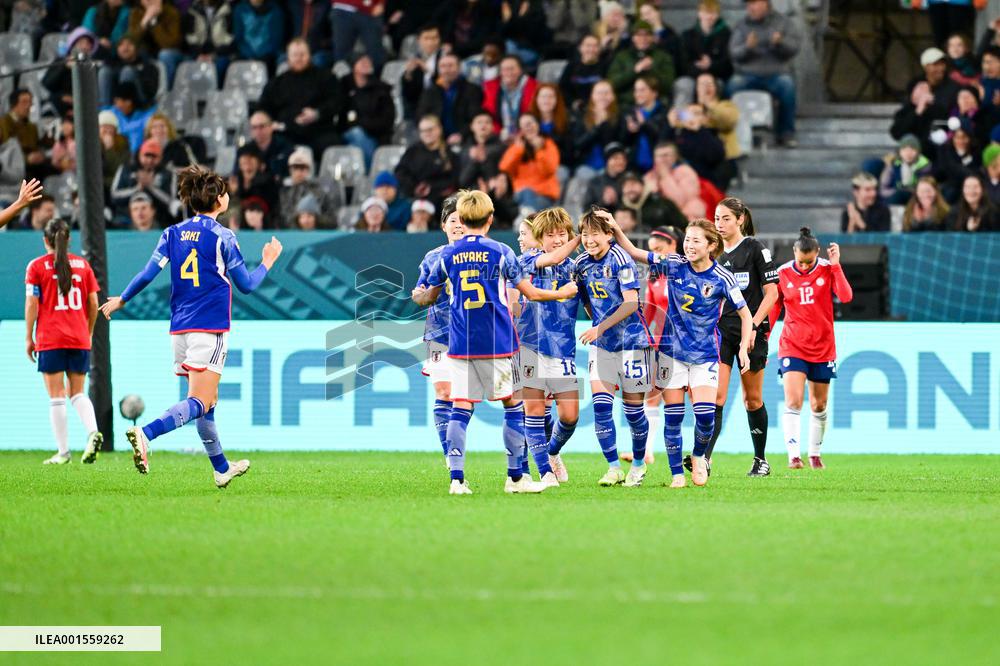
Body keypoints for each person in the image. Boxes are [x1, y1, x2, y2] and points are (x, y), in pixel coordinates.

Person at [99, 165, 283, 486]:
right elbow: (247, 285)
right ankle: (146, 433)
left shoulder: (172, 233)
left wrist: (122, 300)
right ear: (218, 200)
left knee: (206, 404)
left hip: (180, 328)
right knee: (200, 402)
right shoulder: (223, 237)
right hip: (209, 327)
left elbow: (147, 273)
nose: (227, 196)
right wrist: (268, 260)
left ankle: (222, 468)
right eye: (224, 192)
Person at [411, 190, 576, 495]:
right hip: (498, 342)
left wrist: (420, 295)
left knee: (460, 406)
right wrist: (562, 293)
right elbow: (531, 292)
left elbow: (427, 294)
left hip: (459, 343)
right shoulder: (501, 251)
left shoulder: (446, 255)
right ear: (489, 219)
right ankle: (516, 478)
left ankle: (457, 480)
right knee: (513, 405)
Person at [609, 215, 753, 488]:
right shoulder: (674, 266)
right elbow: (635, 252)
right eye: (687, 239)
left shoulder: (722, 277)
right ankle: (677, 475)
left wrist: (744, 348)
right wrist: (616, 228)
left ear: (711, 245)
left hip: (705, 356)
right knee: (672, 417)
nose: (689, 245)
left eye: (696, 240)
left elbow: (746, 315)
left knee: (705, 417)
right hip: (671, 354)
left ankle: (699, 456)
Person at [570, 208, 652, 487]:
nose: (589, 239)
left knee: (633, 412)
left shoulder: (621, 259)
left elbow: (631, 303)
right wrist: (598, 326)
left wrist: (599, 326)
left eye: (595, 233)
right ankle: (614, 467)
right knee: (601, 407)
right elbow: (585, 299)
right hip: (602, 346)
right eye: (584, 234)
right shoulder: (580, 263)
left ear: (608, 234)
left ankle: (638, 466)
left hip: (632, 343)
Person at [702, 197, 779, 477]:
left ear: (740, 220)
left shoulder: (755, 249)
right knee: (716, 396)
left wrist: (754, 326)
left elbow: (772, 293)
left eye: (725, 219)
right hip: (722, 331)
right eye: (716, 218)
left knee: (752, 399)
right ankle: (705, 459)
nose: (720, 224)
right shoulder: (715, 254)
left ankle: (761, 460)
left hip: (752, 331)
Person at [769, 228, 852, 470]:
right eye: (800, 261)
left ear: (817, 253)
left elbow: (846, 297)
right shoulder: (783, 273)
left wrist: (836, 266)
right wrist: (762, 335)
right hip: (792, 345)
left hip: (823, 347)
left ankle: (815, 454)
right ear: (794, 252)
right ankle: (794, 456)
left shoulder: (827, 268)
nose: (804, 267)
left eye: (809, 261)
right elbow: (775, 308)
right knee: (794, 401)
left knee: (819, 405)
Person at [513, 208, 583, 484]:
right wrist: (582, 236)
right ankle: (544, 471)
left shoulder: (577, 268)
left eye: (561, 234)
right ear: (539, 239)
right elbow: (554, 256)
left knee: (570, 416)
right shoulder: (528, 259)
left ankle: (552, 453)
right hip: (530, 344)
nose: (556, 239)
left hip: (563, 347)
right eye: (550, 235)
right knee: (534, 408)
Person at [25, 219, 103, 466]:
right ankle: (93, 432)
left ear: (45, 240)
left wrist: (29, 336)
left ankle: (63, 452)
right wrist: (88, 332)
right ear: (68, 240)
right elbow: (93, 303)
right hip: (79, 337)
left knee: (57, 395)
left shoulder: (36, 267)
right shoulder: (83, 265)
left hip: (51, 337)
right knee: (77, 392)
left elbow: (32, 304)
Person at [413, 196, 464, 461]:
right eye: (452, 220)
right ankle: (451, 459)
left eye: (463, 220)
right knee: (445, 392)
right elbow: (421, 293)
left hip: (475, 336)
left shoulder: (485, 254)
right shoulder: (433, 257)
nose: (458, 224)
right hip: (440, 333)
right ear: (444, 226)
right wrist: (418, 295)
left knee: (470, 399)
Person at [632, 226, 683, 464]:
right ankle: (646, 451)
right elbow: (651, 310)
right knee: (652, 394)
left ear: (673, 245)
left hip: (689, 343)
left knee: (695, 398)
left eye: (659, 250)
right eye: (652, 251)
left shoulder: (686, 269)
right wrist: (644, 336)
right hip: (663, 342)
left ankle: (702, 455)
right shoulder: (655, 275)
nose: (655, 256)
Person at [727, 0, 801, 147]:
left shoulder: (783, 23)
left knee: (787, 86)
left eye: (754, 4)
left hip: (776, 74)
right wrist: (747, 48)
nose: (750, 8)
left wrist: (780, 43)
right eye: (748, 5)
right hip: (748, 74)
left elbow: (794, 48)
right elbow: (734, 53)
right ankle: (729, 133)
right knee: (732, 87)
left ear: (765, 4)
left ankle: (786, 134)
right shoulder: (742, 26)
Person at [258, 38, 341, 155]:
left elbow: (337, 101)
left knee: (333, 146)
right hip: (286, 132)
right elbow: (263, 107)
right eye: (295, 55)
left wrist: (317, 113)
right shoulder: (276, 82)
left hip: (319, 130)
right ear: (288, 57)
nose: (299, 58)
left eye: (302, 54)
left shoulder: (326, 77)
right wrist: (271, 123)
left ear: (309, 55)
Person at [889, 47, 960, 157]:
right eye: (935, 64)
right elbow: (896, 132)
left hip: (939, 149)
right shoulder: (914, 92)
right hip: (913, 152)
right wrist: (918, 109)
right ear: (925, 67)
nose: (940, 68)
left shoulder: (953, 89)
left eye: (942, 64)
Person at [340, 54, 397, 172]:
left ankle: (365, 176)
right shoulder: (343, 87)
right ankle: (370, 174)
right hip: (349, 131)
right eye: (362, 61)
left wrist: (364, 124)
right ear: (354, 66)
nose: (366, 64)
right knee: (357, 135)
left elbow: (388, 118)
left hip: (377, 133)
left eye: (368, 61)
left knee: (356, 144)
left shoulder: (381, 89)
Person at [416, 52, 485, 147]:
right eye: (443, 66)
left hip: (466, 140)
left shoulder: (472, 90)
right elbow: (421, 116)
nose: (447, 70)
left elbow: (475, 117)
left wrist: (461, 135)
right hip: (436, 139)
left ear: (459, 68)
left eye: (450, 66)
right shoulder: (430, 91)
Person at [110, 138, 179, 228]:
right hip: (126, 217)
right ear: (140, 155)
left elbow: (171, 202)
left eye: (154, 156)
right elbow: (114, 195)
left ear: (161, 158)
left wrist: (151, 187)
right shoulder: (125, 169)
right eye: (147, 156)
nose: (150, 160)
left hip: (159, 219)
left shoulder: (168, 173)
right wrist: (138, 188)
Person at [498, 113, 561, 211]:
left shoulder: (548, 144)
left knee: (530, 201)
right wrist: (518, 150)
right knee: (525, 193)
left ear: (538, 125)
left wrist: (539, 151)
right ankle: (527, 216)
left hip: (543, 195)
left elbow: (549, 170)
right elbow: (505, 168)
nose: (528, 128)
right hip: (521, 194)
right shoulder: (517, 147)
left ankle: (526, 216)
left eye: (530, 123)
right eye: (524, 125)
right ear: (520, 130)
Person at [394, 115, 458, 211]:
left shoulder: (450, 153)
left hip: (440, 201)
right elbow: (400, 173)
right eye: (423, 131)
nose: (426, 133)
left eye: (430, 129)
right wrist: (415, 188)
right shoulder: (412, 151)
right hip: (413, 198)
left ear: (439, 129)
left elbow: (454, 178)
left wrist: (431, 187)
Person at [607, 19, 675, 108]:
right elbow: (613, 83)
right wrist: (634, 71)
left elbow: (668, 85)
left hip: (656, 105)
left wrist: (651, 70)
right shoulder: (622, 57)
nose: (643, 39)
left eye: (647, 34)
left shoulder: (663, 57)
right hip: (627, 104)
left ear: (652, 37)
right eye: (638, 35)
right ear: (633, 38)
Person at [678, 0, 733, 107]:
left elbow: (728, 63)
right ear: (699, 14)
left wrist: (710, 66)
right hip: (692, 76)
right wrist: (700, 72)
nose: (709, 17)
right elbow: (683, 63)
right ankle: (682, 119)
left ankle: (714, 118)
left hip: (717, 76)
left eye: (713, 13)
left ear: (717, 15)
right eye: (706, 13)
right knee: (683, 84)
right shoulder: (687, 36)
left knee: (719, 85)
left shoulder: (726, 35)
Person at [127, 0, 184, 87]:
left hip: (173, 52)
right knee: (138, 53)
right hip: (147, 53)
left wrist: (154, 23)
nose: (149, 1)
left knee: (165, 54)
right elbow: (131, 41)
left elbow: (170, 44)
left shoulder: (172, 13)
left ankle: (165, 94)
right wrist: (145, 21)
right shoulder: (136, 13)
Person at [279, 148, 340, 229]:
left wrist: (315, 220)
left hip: (314, 233)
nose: (299, 172)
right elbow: (281, 218)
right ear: (290, 170)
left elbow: (333, 220)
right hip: (290, 234)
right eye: (295, 167)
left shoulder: (318, 192)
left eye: (302, 168)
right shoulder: (284, 192)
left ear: (308, 170)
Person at [571, 80, 624, 174]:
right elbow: (578, 144)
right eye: (599, 93)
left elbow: (615, 144)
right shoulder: (582, 114)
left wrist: (605, 124)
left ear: (613, 96)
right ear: (592, 96)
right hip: (585, 164)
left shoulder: (619, 116)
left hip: (610, 165)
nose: (603, 97)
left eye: (606, 93)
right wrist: (597, 126)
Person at [668, 103, 727, 187]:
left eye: (696, 113)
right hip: (680, 183)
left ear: (705, 118)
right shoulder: (676, 134)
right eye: (688, 113)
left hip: (704, 183)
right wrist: (671, 126)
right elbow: (662, 150)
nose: (691, 117)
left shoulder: (711, 135)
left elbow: (716, 157)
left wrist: (699, 131)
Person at [482, 55, 539, 139]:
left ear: (520, 70)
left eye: (512, 69)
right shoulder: (491, 87)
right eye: (504, 69)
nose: (508, 72)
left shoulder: (534, 87)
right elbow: (487, 113)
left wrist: (522, 134)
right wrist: (499, 132)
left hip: (527, 135)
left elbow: (536, 114)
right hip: (498, 135)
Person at [644, 141, 705, 219]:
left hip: (685, 218)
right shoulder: (649, 176)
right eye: (658, 156)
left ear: (675, 157)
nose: (662, 159)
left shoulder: (685, 172)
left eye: (666, 155)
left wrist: (665, 176)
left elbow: (678, 202)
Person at [97, 34, 160, 109]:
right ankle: (105, 110)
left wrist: (136, 75)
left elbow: (150, 91)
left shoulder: (147, 64)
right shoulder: (112, 63)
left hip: (141, 102)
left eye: (129, 44)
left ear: (136, 48)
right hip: (115, 102)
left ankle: (124, 110)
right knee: (104, 71)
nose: (125, 48)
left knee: (127, 71)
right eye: (121, 45)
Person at [623, 74, 670, 174]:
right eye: (636, 90)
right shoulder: (631, 112)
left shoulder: (665, 112)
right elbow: (624, 141)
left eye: (642, 90)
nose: (638, 94)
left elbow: (662, 139)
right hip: (635, 168)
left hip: (659, 167)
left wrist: (644, 124)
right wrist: (630, 132)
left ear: (654, 93)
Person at [0, 89, 48, 181]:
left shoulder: (32, 127)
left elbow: (37, 147)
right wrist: (26, 159)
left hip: (34, 168)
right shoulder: (3, 124)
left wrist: (39, 155)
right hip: (11, 169)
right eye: (24, 102)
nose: (28, 106)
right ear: (14, 104)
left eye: (30, 102)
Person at [183, 0, 236, 81]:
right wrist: (199, 54)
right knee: (188, 63)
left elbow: (229, 38)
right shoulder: (192, 11)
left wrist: (214, 55)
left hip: (220, 53)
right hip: (198, 52)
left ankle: (217, 91)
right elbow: (190, 37)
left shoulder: (227, 10)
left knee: (221, 63)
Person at [401, 24, 445, 119]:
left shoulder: (445, 58)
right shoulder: (415, 60)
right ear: (419, 41)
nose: (431, 42)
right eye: (426, 38)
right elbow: (409, 94)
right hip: (419, 108)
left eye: (434, 38)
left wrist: (427, 70)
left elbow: (445, 84)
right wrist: (408, 74)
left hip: (442, 104)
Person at [619, 170, 687, 230]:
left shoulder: (663, 204)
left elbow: (682, 226)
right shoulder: (621, 208)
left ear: (643, 186)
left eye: (633, 184)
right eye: (625, 185)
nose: (630, 188)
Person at [559, 34, 609, 112]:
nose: (591, 49)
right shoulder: (571, 66)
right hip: (575, 109)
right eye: (588, 45)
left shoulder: (606, 66)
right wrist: (573, 102)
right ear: (580, 48)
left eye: (595, 46)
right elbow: (562, 89)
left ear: (599, 49)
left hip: (600, 107)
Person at [880, 134, 933, 205]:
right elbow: (883, 189)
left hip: (917, 198)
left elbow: (928, 188)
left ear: (918, 152)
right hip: (895, 197)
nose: (908, 153)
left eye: (912, 150)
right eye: (904, 150)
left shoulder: (925, 166)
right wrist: (897, 192)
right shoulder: (893, 165)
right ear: (900, 152)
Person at [331, 0, 385, 69]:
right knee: (342, 54)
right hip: (343, 8)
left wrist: (381, 3)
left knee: (375, 52)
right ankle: (342, 78)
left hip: (370, 10)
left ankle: (375, 78)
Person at [231, 0, 285, 70]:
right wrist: (249, 55)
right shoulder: (240, 9)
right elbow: (238, 37)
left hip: (268, 55)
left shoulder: (275, 10)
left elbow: (276, 39)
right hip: (245, 54)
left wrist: (262, 55)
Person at [529, 84, 573, 168]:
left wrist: (545, 145)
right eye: (543, 97)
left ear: (557, 100)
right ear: (536, 99)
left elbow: (569, 155)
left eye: (551, 97)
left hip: (559, 165)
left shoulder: (567, 122)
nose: (546, 100)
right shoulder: (528, 121)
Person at [458, 112, 505, 189]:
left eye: (487, 122)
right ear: (471, 126)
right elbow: (462, 181)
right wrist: (475, 161)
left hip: (495, 189)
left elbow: (500, 174)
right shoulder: (465, 149)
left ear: (493, 127)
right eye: (479, 122)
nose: (483, 125)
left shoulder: (501, 148)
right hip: (471, 192)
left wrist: (484, 159)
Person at [245, 111, 293, 181]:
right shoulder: (245, 151)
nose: (258, 131)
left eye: (262, 126)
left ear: (271, 127)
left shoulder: (285, 147)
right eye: (254, 127)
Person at [584, 142, 629, 210]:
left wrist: (616, 202)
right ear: (607, 161)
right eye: (615, 158)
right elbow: (586, 211)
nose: (621, 161)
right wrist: (603, 202)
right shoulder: (595, 182)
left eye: (623, 159)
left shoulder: (629, 181)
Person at [99, 111, 132, 190]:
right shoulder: (92, 144)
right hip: (98, 184)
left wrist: (109, 149)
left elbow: (119, 169)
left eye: (110, 127)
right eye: (104, 126)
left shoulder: (123, 144)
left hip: (115, 184)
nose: (107, 130)